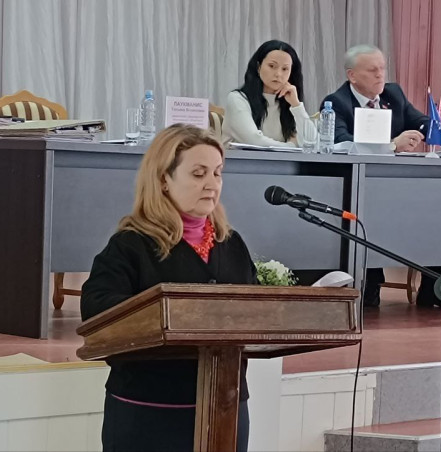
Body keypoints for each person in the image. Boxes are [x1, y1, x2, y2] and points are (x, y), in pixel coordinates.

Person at [81, 124, 256, 452]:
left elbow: (256, 308)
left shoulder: (231, 244)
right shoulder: (131, 245)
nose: (212, 184)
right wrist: (167, 314)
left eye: (217, 173)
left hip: (225, 407)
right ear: (164, 179)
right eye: (199, 173)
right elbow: (97, 308)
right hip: (150, 411)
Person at [321, 44, 441, 309]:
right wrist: (391, 145)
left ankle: (435, 290)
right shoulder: (337, 102)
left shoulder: (393, 93)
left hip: (398, 184)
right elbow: (341, 143)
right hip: (361, 190)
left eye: (382, 68)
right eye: (372, 70)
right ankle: (370, 287)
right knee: (371, 220)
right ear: (352, 75)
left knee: (435, 210)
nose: (380, 75)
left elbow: (419, 120)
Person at [222, 39, 316, 147]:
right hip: (240, 158)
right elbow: (253, 140)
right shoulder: (237, 99)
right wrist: (292, 147)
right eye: (272, 66)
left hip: (281, 159)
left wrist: (296, 105)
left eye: (285, 69)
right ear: (258, 67)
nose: (278, 74)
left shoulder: (287, 103)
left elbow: (312, 143)